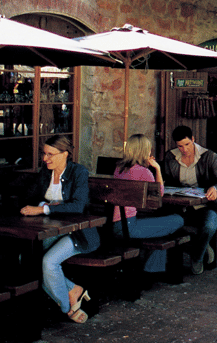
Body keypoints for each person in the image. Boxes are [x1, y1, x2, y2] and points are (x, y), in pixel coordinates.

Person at [20, 135, 100, 324]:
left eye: (50, 154)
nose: (45, 158)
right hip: (51, 229)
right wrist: (42, 203)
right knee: (29, 259)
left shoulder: (78, 172)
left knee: (48, 262)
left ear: (65, 154)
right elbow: (29, 197)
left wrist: (44, 208)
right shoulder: (46, 173)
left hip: (78, 232)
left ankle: (66, 309)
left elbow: (78, 206)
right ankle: (73, 290)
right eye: (44, 154)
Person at [113, 134, 184, 275]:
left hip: (114, 225)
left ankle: (152, 268)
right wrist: (157, 169)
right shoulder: (143, 172)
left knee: (159, 227)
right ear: (145, 151)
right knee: (177, 220)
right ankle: (151, 271)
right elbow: (159, 194)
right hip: (129, 227)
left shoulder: (119, 169)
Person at [163, 125, 217, 275]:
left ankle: (197, 256)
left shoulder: (208, 156)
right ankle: (202, 249)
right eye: (180, 146)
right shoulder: (170, 157)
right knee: (167, 224)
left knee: (210, 226)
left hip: (205, 207)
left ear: (193, 139)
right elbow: (166, 182)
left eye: (187, 144)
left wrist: (214, 188)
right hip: (180, 207)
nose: (184, 149)